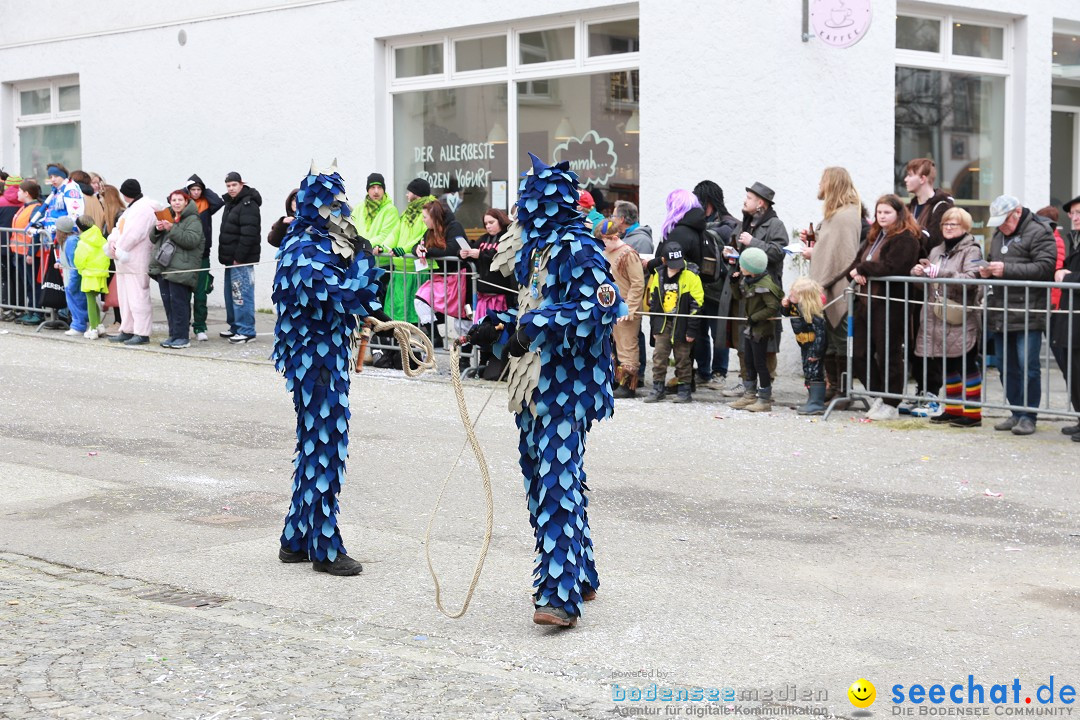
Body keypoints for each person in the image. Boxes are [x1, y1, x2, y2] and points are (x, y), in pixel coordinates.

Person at [465, 153, 625, 627]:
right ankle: (582, 573)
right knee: (542, 478)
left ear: (547, 206)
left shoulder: (579, 248)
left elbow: (600, 310)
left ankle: (559, 596)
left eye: (528, 204)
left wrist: (531, 325)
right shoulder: (537, 252)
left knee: (556, 479)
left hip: (568, 384)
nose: (520, 214)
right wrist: (494, 329)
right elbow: (533, 311)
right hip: (532, 383)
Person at [272, 164, 391, 576]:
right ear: (318, 207)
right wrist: (364, 261)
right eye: (336, 204)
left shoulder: (312, 244)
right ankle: (323, 546)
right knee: (324, 446)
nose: (344, 211)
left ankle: (295, 537)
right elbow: (345, 296)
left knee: (314, 446)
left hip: (324, 358)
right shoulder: (305, 250)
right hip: (316, 363)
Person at [837, 194, 923, 421]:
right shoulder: (874, 236)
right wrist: (859, 271)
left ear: (898, 214)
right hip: (866, 302)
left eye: (887, 212)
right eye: (879, 212)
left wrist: (864, 269)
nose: (882, 216)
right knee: (859, 353)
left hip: (890, 304)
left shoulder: (906, 238)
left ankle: (892, 401)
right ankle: (879, 394)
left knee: (889, 354)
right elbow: (855, 264)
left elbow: (893, 266)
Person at [978, 195, 1057, 435]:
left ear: (1017, 212)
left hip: (1028, 311)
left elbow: (1045, 267)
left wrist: (1006, 269)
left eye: (1005, 221)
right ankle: (1015, 411)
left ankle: (1029, 415)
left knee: (1028, 366)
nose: (1001, 226)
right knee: (1005, 365)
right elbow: (996, 263)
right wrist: (987, 271)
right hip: (1002, 310)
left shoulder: (1039, 231)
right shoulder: (1000, 234)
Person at [910, 208, 984, 427]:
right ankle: (952, 409)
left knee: (967, 364)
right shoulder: (936, 250)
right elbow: (927, 286)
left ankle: (972, 414)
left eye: (954, 224)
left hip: (960, 316)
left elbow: (971, 279)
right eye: (946, 224)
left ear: (965, 227)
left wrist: (939, 273)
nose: (949, 228)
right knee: (947, 365)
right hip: (937, 316)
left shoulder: (972, 251)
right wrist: (918, 274)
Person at [802, 167, 862, 404]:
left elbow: (843, 257)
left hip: (837, 289)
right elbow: (829, 248)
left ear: (833, 183)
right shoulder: (834, 213)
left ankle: (842, 390)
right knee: (827, 342)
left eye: (823, 180)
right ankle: (833, 385)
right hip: (827, 288)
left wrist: (814, 253)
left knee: (839, 343)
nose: (819, 184)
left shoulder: (846, 215)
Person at [730, 182, 788, 396]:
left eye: (750, 198)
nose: (745, 201)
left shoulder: (775, 224)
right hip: (747, 290)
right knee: (744, 339)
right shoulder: (746, 223)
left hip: (765, 291)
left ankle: (765, 388)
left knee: (765, 340)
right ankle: (747, 385)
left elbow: (778, 252)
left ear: (760, 203)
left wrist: (753, 242)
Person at [692, 180, 740, 389]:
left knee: (719, 332)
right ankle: (703, 372)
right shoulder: (695, 222)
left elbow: (736, 256)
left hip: (720, 288)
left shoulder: (730, 226)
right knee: (699, 331)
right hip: (697, 286)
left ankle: (719, 372)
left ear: (708, 201)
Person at [644, 243, 703, 404]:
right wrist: (654, 328)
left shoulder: (691, 275)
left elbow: (697, 304)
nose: (676, 268)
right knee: (659, 356)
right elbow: (654, 302)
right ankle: (658, 388)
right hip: (663, 323)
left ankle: (684, 389)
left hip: (682, 323)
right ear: (663, 260)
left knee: (683, 357)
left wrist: (691, 330)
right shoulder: (658, 274)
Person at [729, 247, 783, 412]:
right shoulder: (748, 280)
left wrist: (755, 317)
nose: (740, 267)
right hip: (750, 328)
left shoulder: (765, 285)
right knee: (748, 361)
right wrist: (734, 284)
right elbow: (740, 297)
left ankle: (764, 399)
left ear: (751, 268)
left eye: (742, 265)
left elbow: (773, 307)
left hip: (761, 330)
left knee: (760, 364)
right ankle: (749, 394)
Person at [150, 190, 206, 349]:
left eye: (180, 200)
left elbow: (191, 240)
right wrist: (158, 229)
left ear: (186, 202)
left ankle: (182, 337)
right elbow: (153, 238)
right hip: (164, 266)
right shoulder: (167, 216)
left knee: (179, 303)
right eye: (173, 200)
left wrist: (171, 229)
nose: (176, 203)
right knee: (168, 303)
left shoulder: (193, 219)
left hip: (181, 268)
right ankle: (173, 335)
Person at [464, 207, 515, 380]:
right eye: (486, 223)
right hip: (483, 295)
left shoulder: (507, 237)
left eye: (491, 222)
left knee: (496, 332)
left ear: (500, 220)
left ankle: (495, 362)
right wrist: (465, 253)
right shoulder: (484, 239)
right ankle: (481, 362)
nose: (488, 226)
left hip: (500, 294)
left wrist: (481, 254)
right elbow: (473, 250)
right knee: (481, 331)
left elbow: (501, 255)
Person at [376, 178, 435, 324]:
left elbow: (422, 237)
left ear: (417, 194)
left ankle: (429, 339)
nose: (406, 195)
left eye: (409, 192)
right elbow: (395, 234)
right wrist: (382, 246)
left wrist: (404, 250)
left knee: (417, 309)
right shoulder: (407, 213)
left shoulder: (428, 212)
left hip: (416, 271)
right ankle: (401, 339)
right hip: (400, 269)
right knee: (397, 308)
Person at [106, 179, 157, 346]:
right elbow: (117, 230)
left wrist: (118, 247)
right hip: (125, 259)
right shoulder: (132, 208)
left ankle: (142, 332)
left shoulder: (143, 209)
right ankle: (128, 329)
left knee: (138, 296)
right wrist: (113, 242)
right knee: (125, 297)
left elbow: (133, 235)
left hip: (136, 259)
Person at [599, 218, 645, 398]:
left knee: (627, 345)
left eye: (604, 239)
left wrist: (629, 308)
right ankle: (614, 379)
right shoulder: (606, 253)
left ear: (613, 237)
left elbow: (637, 283)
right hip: (609, 306)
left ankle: (628, 384)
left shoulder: (628, 254)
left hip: (624, 306)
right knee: (612, 346)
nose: (602, 243)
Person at [413, 199, 470, 345]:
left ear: (434, 217)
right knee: (420, 300)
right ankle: (434, 337)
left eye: (425, 217)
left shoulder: (454, 226)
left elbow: (452, 249)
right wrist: (417, 250)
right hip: (441, 278)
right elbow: (418, 245)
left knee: (462, 322)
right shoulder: (430, 231)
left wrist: (429, 252)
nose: (423, 220)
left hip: (461, 278)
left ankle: (464, 358)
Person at [217, 171, 262, 344]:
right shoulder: (231, 204)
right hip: (230, 260)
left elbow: (249, 234)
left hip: (241, 261)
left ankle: (247, 330)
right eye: (228, 186)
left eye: (234, 185)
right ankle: (235, 326)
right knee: (231, 295)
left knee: (242, 295)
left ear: (241, 184)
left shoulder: (248, 204)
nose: (231, 188)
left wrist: (239, 257)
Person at [1052, 194, 1080, 441]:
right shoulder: (1076, 240)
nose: (1075, 217)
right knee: (1072, 369)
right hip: (1070, 315)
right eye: (1072, 213)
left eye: (1079, 213)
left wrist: (1067, 277)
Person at [186, 174, 224, 342]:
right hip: (186, 255)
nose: (195, 192)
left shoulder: (207, 204)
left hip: (203, 254)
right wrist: (185, 189)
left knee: (201, 293)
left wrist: (205, 188)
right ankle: (183, 324)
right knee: (184, 294)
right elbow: (171, 199)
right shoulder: (183, 203)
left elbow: (218, 202)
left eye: (198, 189)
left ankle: (200, 327)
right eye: (192, 189)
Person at [783, 277, 828, 415]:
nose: (790, 296)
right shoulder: (795, 306)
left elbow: (821, 335)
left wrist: (816, 354)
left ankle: (817, 403)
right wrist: (784, 306)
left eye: (793, 295)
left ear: (803, 297)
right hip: (804, 344)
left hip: (813, 347)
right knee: (808, 372)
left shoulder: (814, 314)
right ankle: (812, 400)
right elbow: (786, 314)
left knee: (815, 373)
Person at [5, 180, 43, 324]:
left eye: (19, 191)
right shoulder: (25, 207)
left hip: (28, 253)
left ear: (27, 193)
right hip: (20, 252)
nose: (17, 193)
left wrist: (31, 253)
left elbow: (36, 232)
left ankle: (37, 312)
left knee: (33, 284)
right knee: (27, 284)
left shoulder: (36, 209)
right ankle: (31, 311)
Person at [903, 158, 954, 253]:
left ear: (922, 179)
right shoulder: (908, 208)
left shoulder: (942, 207)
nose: (905, 179)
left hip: (929, 265)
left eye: (910, 175)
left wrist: (914, 227)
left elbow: (935, 244)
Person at [72, 215, 110, 339]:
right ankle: (98, 325)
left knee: (90, 302)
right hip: (100, 273)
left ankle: (93, 328)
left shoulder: (83, 242)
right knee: (95, 301)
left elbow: (78, 261)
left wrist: (81, 269)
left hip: (88, 274)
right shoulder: (101, 238)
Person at [99, 184, 127, 334]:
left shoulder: (120, 215)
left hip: (117, 260)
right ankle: (117, 320)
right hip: (109, 259)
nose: (100, 201)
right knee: (113, 292)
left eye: (102, 198)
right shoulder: (107, 216)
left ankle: (121, 321)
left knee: (118, 292)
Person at [55, 216, 89, 337]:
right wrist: (59, 260)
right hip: (69, 276)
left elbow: (74, 263)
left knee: (76, 302)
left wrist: (72, 284)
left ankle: (78, 326)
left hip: (72, 277)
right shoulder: (68, 241)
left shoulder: (70, 242)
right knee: (74, 302)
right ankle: (79, 324)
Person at [350, 172, 399, 254]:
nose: (376, 191)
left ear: (384, 190)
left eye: (379, 187)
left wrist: (363, 246)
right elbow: (350, 230)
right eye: (372, 187)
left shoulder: (390, 210)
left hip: (381, 261)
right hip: (361, 258)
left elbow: (385, 235)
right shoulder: (359, 208)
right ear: (368, 190)